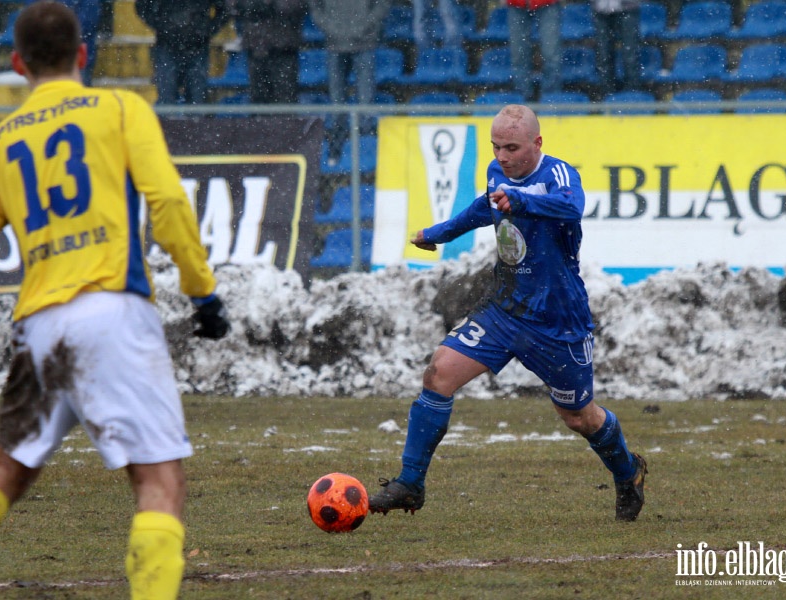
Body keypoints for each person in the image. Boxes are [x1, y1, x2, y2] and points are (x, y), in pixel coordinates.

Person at [0, 3, 230, 599]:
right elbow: (168, 202)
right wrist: (202, 292)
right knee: (158, 480)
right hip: (112, 311)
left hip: (40, 326)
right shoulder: (121, 109)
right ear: (84, 55)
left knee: (8, 470)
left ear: (18, 64)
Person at [368, 104, 647, 522]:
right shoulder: (496, 172)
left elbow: (570, 207)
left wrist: (516, 200)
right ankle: (411, 483)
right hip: (505, 308)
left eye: (512, 147)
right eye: (496, 147)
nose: (502, 156)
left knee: (579, 417)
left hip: (558, 319)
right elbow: (485, 207)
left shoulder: (559, 174)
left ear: (537, 143)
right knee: (439, 373)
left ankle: (629, 473)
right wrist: (438, 233)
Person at [308, 0, 391, 162]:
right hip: (336, 44)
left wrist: (365, 25)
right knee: (337, 103)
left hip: (364, 43)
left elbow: (383, 4)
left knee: (365, 103)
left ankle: (365, 155)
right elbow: (315, 6)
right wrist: (331, 27)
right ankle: (337, 151)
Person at [135, 0, 230, 104]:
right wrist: (161, 26)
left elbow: (225, 10)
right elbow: (141, 6)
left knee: (196, 98)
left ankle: (192, 119)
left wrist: (206, 30)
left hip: (196, 47)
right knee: (168, 98)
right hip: (168, 45)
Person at [228, 0, 309, 104]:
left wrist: (271, 4)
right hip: (256, 47)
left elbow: (296, 6)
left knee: (285, 98)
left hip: (285, 48)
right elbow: (234, 6)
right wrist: (261, 4)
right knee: (258, 99)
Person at [506, 0, 563, 101]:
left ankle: (551, 101)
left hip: (547, 3)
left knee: (551, 55)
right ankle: (522, 101)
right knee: (519, 56)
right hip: (517, 4)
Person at [591, 0, 641, 96]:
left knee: (630, 55)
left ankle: (632, 96)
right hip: (600, 8)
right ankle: (607, 96)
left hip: (628, 7)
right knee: (603, 54)